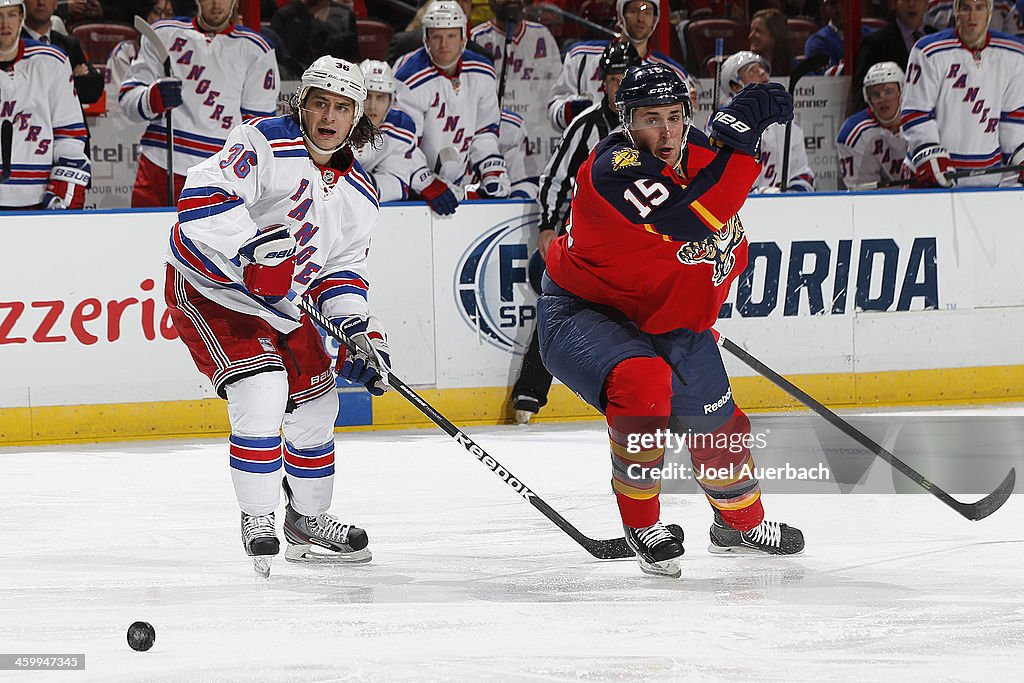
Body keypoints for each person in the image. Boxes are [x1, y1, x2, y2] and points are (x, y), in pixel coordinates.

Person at [536, 62, 804, 578]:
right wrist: (742, 147)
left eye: (675, 117)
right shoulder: (613, 166)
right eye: (651, 118)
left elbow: (724, 241)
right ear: (626, 119)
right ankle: (643, 525)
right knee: (643, 382)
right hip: (586, 311)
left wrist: (697, 306)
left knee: (717, 426)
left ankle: (740, 523)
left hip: (666, 316)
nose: (666, 132)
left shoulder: (700, 149)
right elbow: (689, 217)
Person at [164, 56, 388, 576]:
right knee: (262, 389)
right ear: (302, 104)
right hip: (212, 290)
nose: (328, 116)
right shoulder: (263, 141)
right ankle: (258, 515)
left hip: (281, 305)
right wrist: (250, 250)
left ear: (357, 117)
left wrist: (354, 332)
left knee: (317, 402)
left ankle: (307, 520)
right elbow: (200, 197)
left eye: (341, 107)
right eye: (319, 103)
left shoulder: (361, 193)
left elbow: (341, 270)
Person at [511, 41, 640, 424]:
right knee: (560, 305)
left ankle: (664, 397)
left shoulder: (652, 125)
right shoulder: (585, 125)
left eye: (627, 79)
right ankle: (530, 392)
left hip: (637, 246)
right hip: (584, 244)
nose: (620, 87)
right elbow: (554, 178)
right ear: (603, 83)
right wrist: (548, 226)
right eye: (614, 79)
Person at [119, 0, 280, 207]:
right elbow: (127, 99)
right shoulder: (163, 33)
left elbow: (258, 128)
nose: (216, 4)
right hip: (160, 163)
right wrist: (152, 99)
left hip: (219, 173)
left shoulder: (257, 49)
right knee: (142, 237)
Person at [393, 1, 510, 202]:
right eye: (437, 36)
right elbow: (402, 143)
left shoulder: (482, 71)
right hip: (417, 181)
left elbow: (485, 130)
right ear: (426, 39)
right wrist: (426, 182)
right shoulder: (408, 77)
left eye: (451, 36)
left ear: (463, 37)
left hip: (463, 177)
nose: (444, 44)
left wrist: (491, 168)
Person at [902, 0, 1024, 188]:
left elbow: (1013, 118)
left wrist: (1020, 157)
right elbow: (915, 112)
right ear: (956, 11)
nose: (972, 16)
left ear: (990, 12)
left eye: (979, 8)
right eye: (966, 8)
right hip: (936, 175)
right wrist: (929, 153)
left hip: (988, 179)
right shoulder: (928, 51)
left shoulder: (1014, 54)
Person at [0, 0, 91, 210]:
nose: (5, 23)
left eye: (11, 15)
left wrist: (63, 191)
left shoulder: (52, 61)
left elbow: (70, 136)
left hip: (37, 197)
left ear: (22, 18)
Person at [547, 0, 688, 131]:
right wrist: (567, 112)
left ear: (655, 19)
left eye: (647, 12)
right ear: (621, 15)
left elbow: (683, 127)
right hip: (587, 151)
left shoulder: (672, 73)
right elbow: (553, 109)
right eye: (633, 11)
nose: (640, 18)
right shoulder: (581, 56)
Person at [353, 58, 458, 213]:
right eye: (367, 96)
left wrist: (360, 184)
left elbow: (397, 183)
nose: (372, 106)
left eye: (381, 97)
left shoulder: (400, 127)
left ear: (391, 101)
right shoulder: (336, 121)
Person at [718, 51, 814, 192]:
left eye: (761, 68)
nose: (763, 73)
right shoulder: (722, 124)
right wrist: (760, 194)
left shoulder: (784, 122)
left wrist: (794, 195)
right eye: (752, 71)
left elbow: (801, 172)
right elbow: (722, 181)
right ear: (735, 86)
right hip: (736, 210)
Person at [837, 61, 910, 189]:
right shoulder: (854, 134)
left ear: (902, 92)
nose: (883, 98)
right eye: (876, 94)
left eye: (888, 91)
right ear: (868, 98)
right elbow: (863, 192)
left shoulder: (921, 121)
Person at [850, 0, 928, 115]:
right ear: (893, 4)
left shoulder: (939, 39)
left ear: (926, 4)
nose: (912, 4)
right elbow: (861, 98)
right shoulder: (875, 43)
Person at [21, 0, 103, 106]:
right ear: (23, 2)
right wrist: (70, 79)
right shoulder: (11, 45)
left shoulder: (69, 44)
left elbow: (94, 89)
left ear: (55, 4)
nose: (41, 2)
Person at [270, 0, 359, 70]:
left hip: (337, 78)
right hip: (295, 79)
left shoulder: (345, 16)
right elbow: (282, 61)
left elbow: (352, 58)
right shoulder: (285, 16)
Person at [748, 8, 794, 76]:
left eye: (758, 31)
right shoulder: (744, 68)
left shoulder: (793, 66)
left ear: (774, 35)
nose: (750, 36)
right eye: (751, 31)